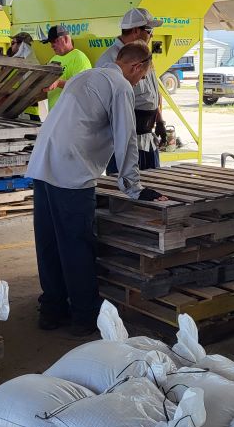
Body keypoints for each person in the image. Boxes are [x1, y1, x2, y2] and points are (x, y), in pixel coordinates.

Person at [26, 41, 167, 335]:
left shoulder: (85, 75)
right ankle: (84, 316)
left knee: (49, 243)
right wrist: (134, 187)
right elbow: (125, 137)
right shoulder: (120, 86)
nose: (139, 81)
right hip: (71, 171)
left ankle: (52, 309)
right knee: (77, 245)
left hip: (43, 165)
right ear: (136, 66)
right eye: (141, 77)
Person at [96, 8, 167, 170]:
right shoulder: (110, 60)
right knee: (127, 190)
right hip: (124, 142)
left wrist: (159, 120)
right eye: (149, 30)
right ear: (136, 30)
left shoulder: (144, 54)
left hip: (147, 139)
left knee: (153, 185)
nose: (152, 35)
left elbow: (152, 93)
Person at [41, 25, 91, 110]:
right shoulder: (53, 59)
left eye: (55, 41)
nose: (52, 46)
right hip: (54, 116)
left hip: (71, 116)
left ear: (66, 39)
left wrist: (58, 83)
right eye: (50, 42)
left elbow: (81, 86)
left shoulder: (79, 57)